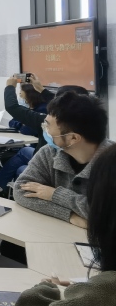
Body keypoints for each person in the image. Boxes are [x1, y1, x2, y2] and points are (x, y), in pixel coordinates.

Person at [8, 145, 116, 306]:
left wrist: (47, 292)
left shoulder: (106, 290)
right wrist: (82, 292)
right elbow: (21, 190)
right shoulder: (49, 152)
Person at [0, 79, 90, 198]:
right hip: (52, 165)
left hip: (55, 172)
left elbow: (13, 108)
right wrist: (41, 89)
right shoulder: (87, 123)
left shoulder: (51, 125)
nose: (46, 125)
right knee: (23, 153)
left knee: (21, 170)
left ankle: (2, 188)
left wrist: (10, 86)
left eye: (47, 125)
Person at [14, 92, 112, 227]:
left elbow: (106, 213)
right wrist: (70, 216)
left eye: (48, 125)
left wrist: (55, 195)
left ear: (73, 138)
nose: (45, 129)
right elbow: (20, 190)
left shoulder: (111, 162)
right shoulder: (49, 153)